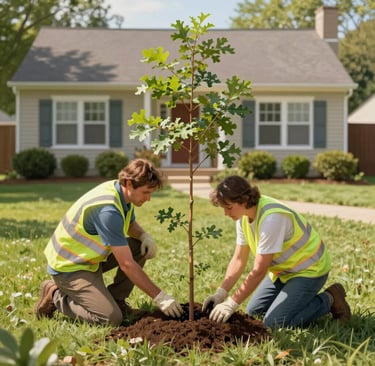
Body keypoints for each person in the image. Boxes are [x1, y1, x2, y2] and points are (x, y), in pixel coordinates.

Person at [35, 158, 183, 325]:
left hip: (89, 259)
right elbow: (126, 264)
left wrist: (143, 236)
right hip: (70, 267)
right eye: (146, 192)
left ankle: (117, 301)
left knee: (139, 247)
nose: (148, 198)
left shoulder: (120, 192)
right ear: (129, 183)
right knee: (110, 318)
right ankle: (55, 295)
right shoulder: (107, 210)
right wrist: (160, 296)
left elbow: (130, 224)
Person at [202, 175, 351, 328]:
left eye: (229, 208)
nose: (226, 213)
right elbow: (239, 259)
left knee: (274, 323)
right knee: (254, 312)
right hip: (283, 272)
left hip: (310, 271)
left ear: (244, 200)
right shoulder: (243, 216)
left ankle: (330, 299)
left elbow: (259, 270)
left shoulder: (271, 219)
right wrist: (221, 293)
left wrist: (232, 303)